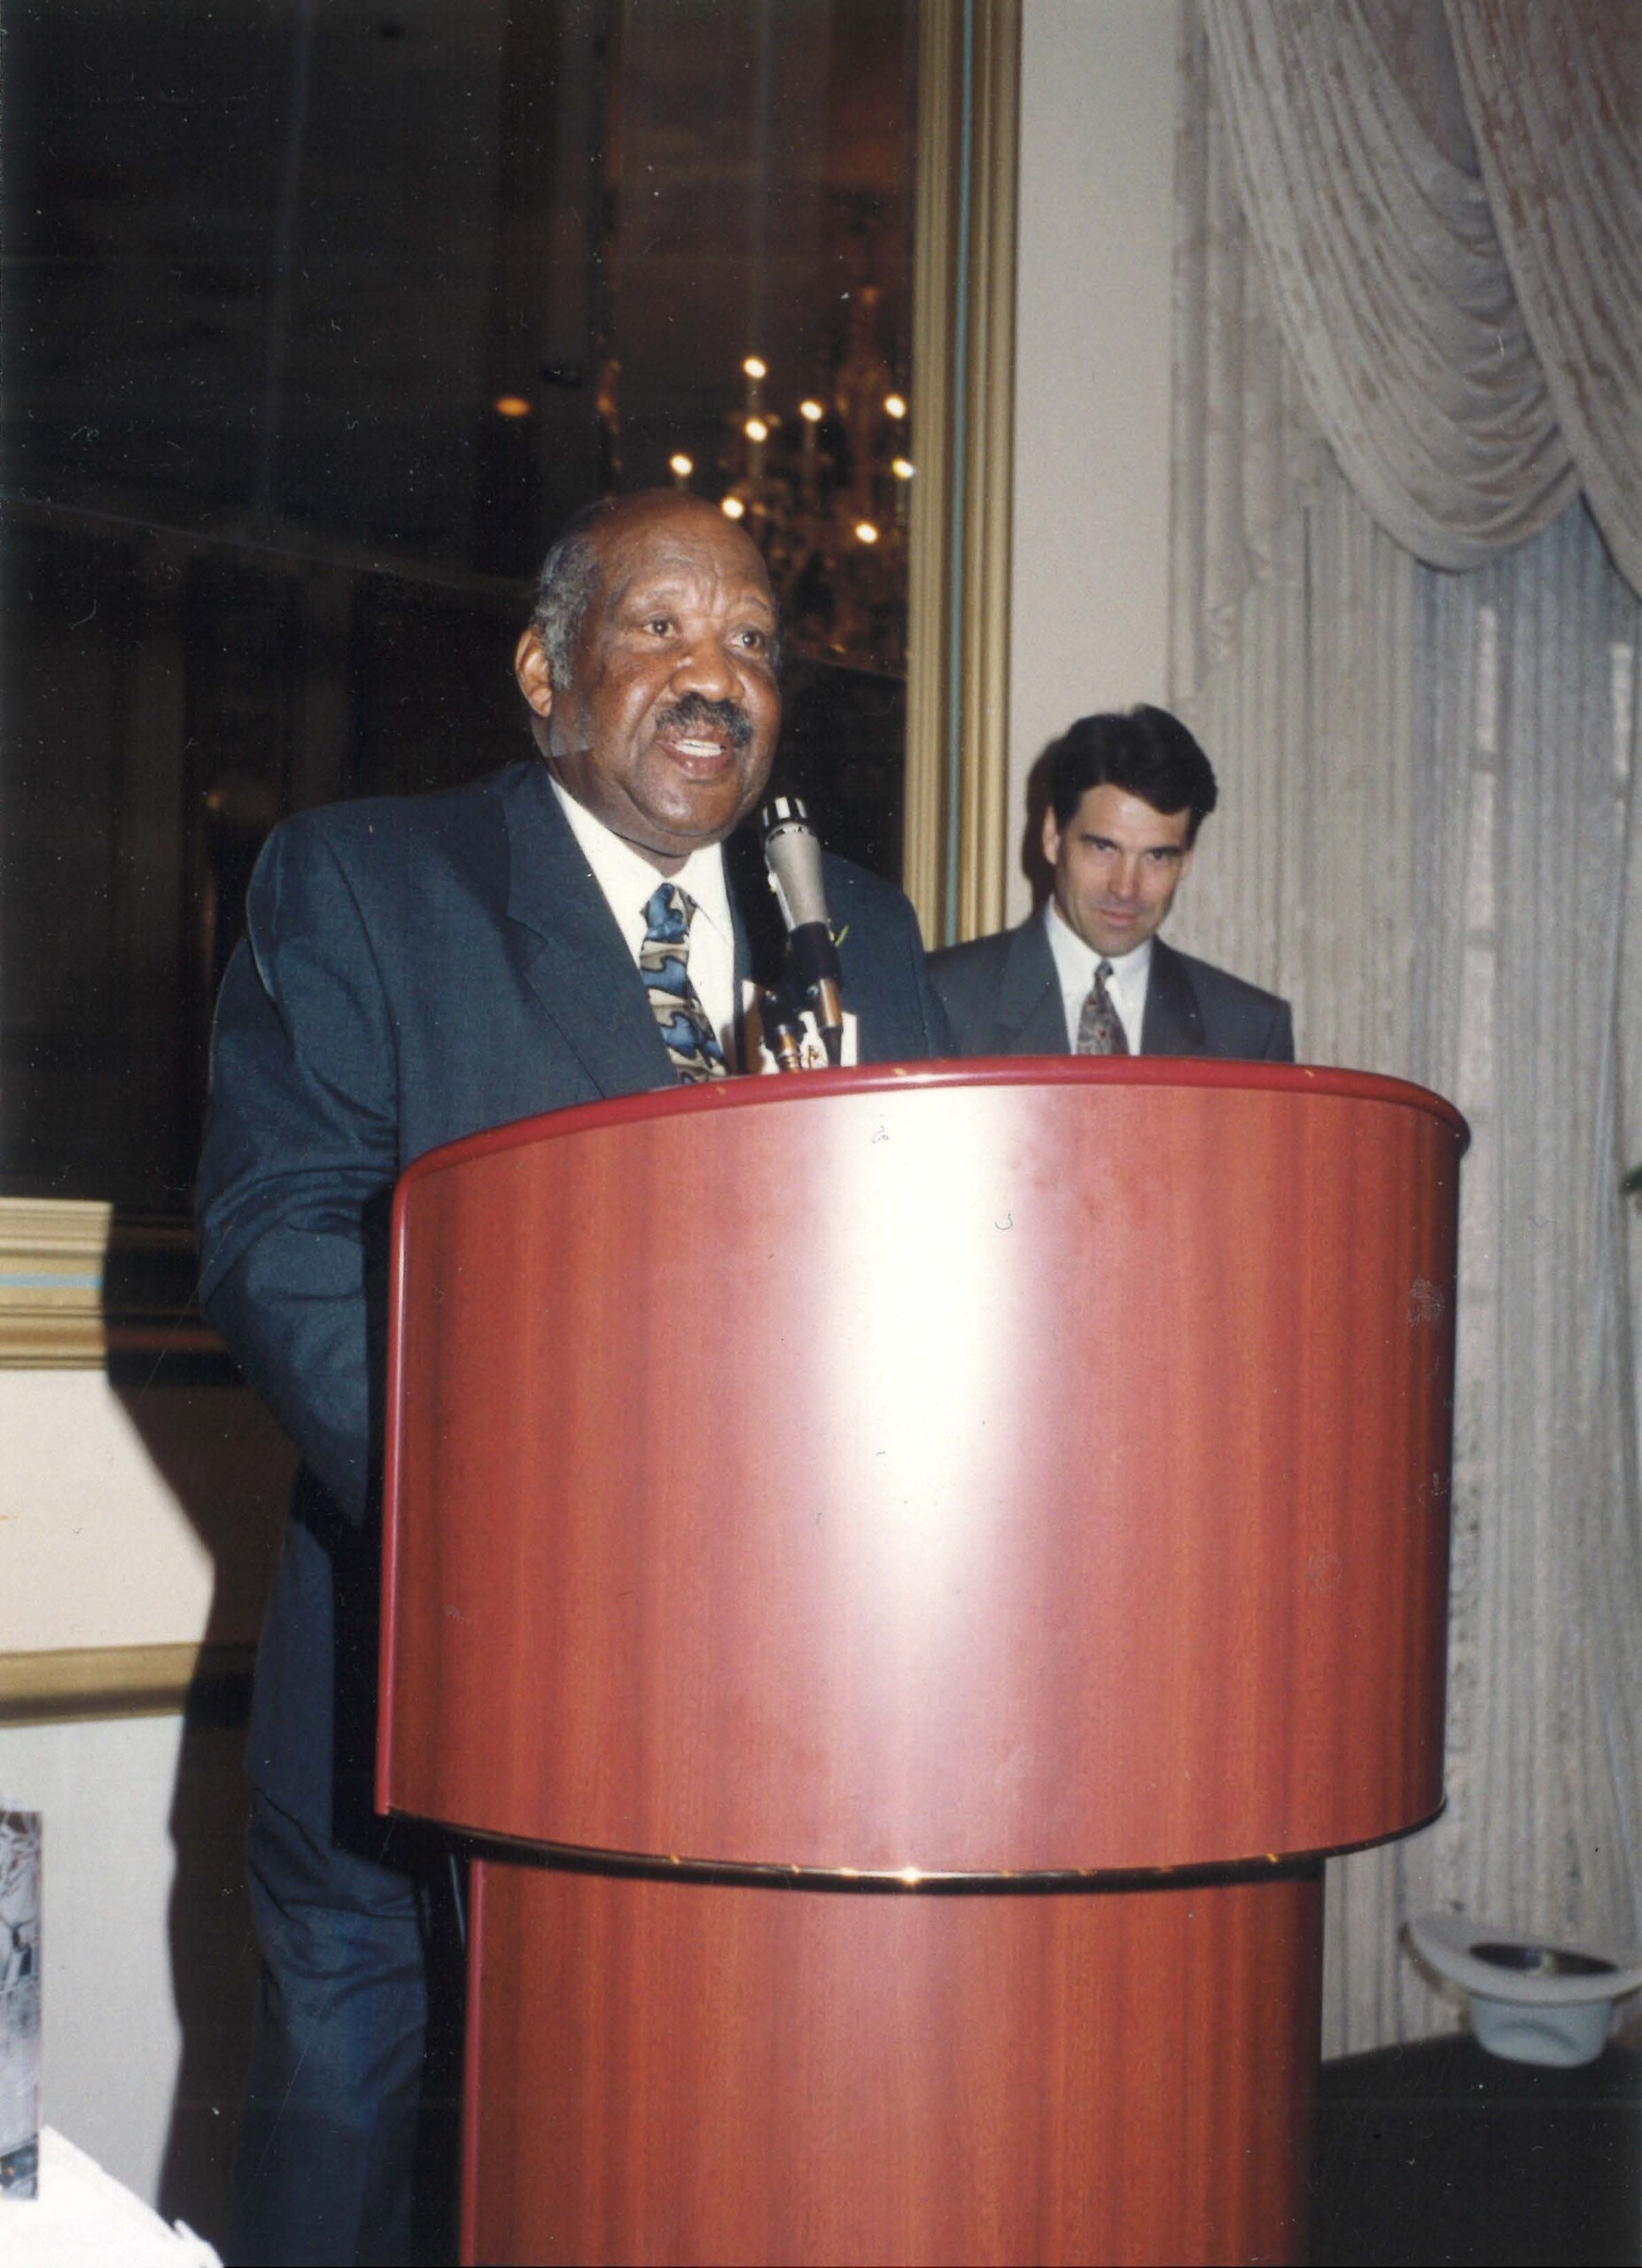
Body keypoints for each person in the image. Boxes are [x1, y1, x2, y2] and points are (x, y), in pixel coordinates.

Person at [196, 489, 950, 2267]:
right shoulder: (371, 883)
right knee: (357, 2164)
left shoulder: (861, 934)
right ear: (546, 671)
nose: (717, 676)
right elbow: (279, 1240)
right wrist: (520, 1551)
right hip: (428, 1688)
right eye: (664, 627)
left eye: (755, 640)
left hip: (778, 1731)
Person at [929, 705, 1293, 1060]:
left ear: (1186, 860)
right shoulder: (937, 998)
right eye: (1104, 848)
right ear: (1053, 836)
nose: (1125, 889)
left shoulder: (1250, 1033)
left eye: (1157, 856)